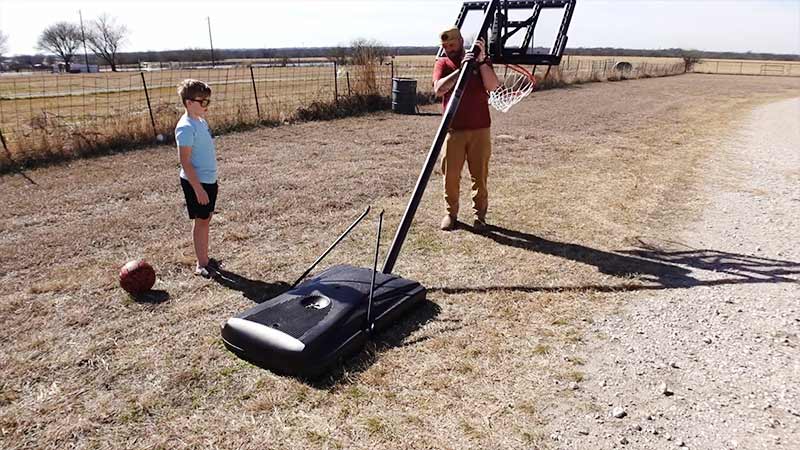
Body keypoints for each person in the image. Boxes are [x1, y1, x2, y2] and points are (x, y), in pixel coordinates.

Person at [432, 26, 500, 231]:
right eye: (444, 46)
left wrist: (479, 63)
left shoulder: (481, 61)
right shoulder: (443, 63)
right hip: (453, 130)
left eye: (451, 45)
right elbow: (438, 88)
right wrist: (462, 70)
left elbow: (493, 85)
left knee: (479, 175)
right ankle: (450, 214)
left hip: (480, 128)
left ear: (461, 41)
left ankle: (480, 217)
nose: (448, 49)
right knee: (450, 176)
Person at [176, 79, 220, 277]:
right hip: (197, 182)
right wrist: (198, 189)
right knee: (201, 220)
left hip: (209, 179)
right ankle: (201, 264)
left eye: (207, 101)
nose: (206, 106)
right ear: (189, 103)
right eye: (203, 102)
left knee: (206, 218)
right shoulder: (185, 127)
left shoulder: (200, 122)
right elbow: (185, 162)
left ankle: (205, 257)